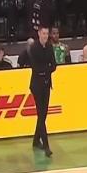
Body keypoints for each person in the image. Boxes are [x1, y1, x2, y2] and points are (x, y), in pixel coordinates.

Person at [29, 25, 57, 156]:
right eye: (43, 33)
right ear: (39, 34)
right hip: (36, 85)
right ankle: (46, 146)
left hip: (46, 84)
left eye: (47, 33)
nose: (45, 36)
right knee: (41, 114)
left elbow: (54, 65)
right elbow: (35, 67)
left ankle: (36, 140)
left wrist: (45, 70)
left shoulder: (50, 47)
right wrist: (46, 69)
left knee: (43, 114)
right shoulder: (34, 48)